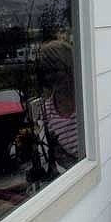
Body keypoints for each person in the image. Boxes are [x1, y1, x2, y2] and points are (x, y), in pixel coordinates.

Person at [38, 38, 79, 171]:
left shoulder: (86, 100)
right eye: (47, 72)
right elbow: (61, 156)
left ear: (70, 67)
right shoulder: (48, 110)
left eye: (56, 70)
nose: (51, 77)